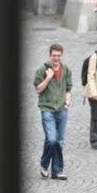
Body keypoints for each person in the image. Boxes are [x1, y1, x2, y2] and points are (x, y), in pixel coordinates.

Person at [33, 42, 72, 179]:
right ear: (50, 55)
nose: (56, 58)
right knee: (51, 139)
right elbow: (38, 89)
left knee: (59, 141)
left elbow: (68, 88)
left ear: (61, 55)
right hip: (47, 108)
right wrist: (48, 78)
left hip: (61, 109)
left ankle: (57, 171)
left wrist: (67, 102)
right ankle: (44, 164)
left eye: (58, 55)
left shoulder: (66, 69)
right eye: (54, 55)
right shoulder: (42, 70)